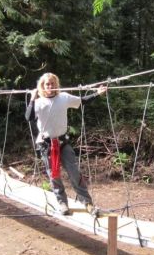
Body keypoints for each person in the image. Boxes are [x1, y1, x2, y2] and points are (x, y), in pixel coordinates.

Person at [25, 73, 107, 216]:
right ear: (42, 87)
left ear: (56, 85)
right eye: (47, 84)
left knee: (74, 173)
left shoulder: (64, 97)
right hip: (47, 145)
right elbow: (29, 117)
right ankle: (62, 203)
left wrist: (97, 94)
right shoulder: (38, 103)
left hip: (63, 143)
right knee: (54, 176)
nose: (50, 87)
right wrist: (33, 97)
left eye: (52, 84)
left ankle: (87, 203)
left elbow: (82, 101)